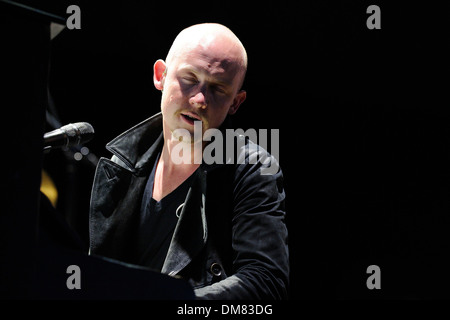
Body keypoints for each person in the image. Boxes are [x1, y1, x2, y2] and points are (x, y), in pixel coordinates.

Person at [89, 23, 289, 299]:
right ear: (161, 75)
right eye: (189, 78)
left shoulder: (252, 169)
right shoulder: (122, 162)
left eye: (218, 88)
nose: (199, 99)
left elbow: (266, 284)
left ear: (236, 102)